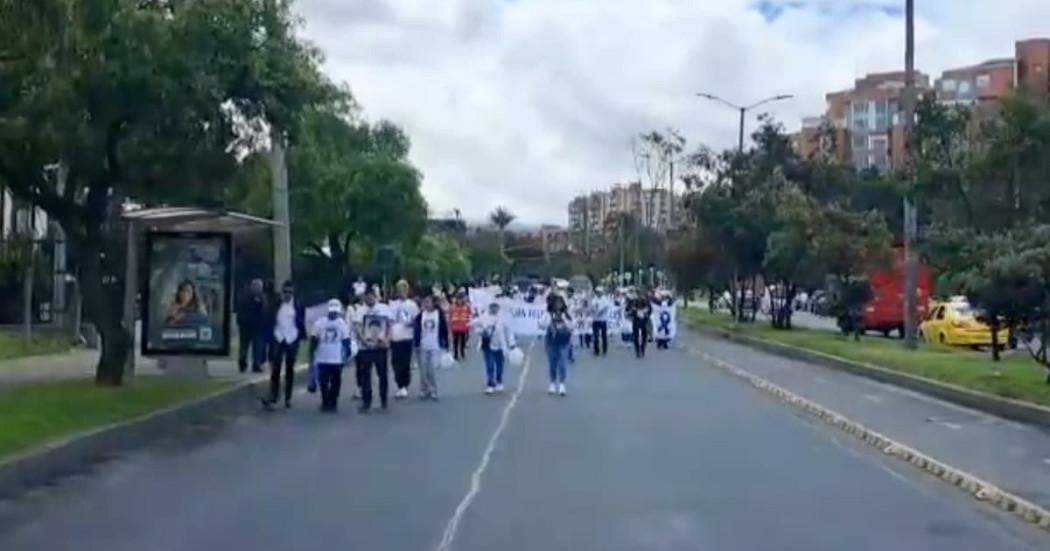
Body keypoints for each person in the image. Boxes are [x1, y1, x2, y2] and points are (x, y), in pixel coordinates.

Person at [263, 281, 306, 409]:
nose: (287, 294)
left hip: (291, 338)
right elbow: (269, 318)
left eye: (290, 292)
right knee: (275, 368)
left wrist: (300, 336)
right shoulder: (276, 304)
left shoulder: (298, 305)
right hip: (278, 337)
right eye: (285, 292)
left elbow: (301, 321)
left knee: (289, 369)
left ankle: (288, 397)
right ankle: (273, 395)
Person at [310, 299, 354, 413]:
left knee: (335, 382)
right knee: (323, 382)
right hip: (323, 357)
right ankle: (326, 401)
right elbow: (314, 339)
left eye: (335, 312)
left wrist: (347, 353)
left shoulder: (341, 324)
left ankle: (333, 401)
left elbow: (346, 340)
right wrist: (312, 353)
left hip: (336, 358)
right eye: (332, 312)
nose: (333, 314)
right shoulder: (320, 323)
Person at [354, 290, 392, 413]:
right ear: (364, 298)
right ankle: (366, 402)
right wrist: (364, 342)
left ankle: (384, 401)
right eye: (367, 298)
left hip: (380, 347)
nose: (369, 300)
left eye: (371, 298)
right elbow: (357, 328)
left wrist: (387, 340)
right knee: (365, 376)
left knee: (383, 375)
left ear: (375, 297)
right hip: (365, 348)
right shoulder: (360, 310)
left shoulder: (384, 309)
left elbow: (389, 326)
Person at [473, 301, 516, 394]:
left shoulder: (503, 318)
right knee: (490, 364)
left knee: (499, 365)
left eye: (495, 306)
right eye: (492, 306)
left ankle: (499, 380)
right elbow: (476, 326)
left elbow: (509, 331)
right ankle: (490, 384)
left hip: (500, 345)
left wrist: (511, 343)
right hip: (487, 344)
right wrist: (481, 332)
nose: (494, 308)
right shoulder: (483, 317)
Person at [388, 280, 420, 399]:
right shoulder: (392, 304)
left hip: (407, 336)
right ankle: (399, 384)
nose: (401, 292)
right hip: (394, 337)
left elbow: (417, 321)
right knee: (395, 362)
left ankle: (404, 385)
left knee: (405, 362)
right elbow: (388, 320)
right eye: (399, 290)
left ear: (407, 291)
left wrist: (411, 324)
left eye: (403, 290)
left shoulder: (412, 305)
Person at [413, 295, 449, 400]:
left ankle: (433, 389)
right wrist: (416, 342)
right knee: (423, 370)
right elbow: (415, 325)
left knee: (432, 369)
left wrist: (446, 344)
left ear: (434, 303)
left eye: (428, 302)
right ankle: (424, 389)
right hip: (423, 345)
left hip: (435, 345)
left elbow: (444, 329)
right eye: (425, 302)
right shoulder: (421, 315)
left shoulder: (439, 314)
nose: (426, 305)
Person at [236, 278, 268, 373]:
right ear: (251, 286)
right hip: (246, 325)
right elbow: (240, 310)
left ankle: (256, 364)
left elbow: (266, 310)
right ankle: (242, 363)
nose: (257, 288)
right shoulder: (245, 297)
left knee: (257, 346)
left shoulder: (263, 298)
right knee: (244, 346)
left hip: (258, 326)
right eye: (255, 286)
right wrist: (241, 322)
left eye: (259, 287)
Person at [545, 293, 573, 396]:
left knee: (562, 363)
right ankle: (552, 383)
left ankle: (562, 384)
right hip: (551, 341)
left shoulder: (566, 314)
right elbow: (541, 324)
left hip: (563, 341)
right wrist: (550, 323)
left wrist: (564, 323)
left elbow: (572, 326)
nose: (558, 305)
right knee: (552, 363)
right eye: (556, 303)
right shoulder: (548, 314)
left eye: (560, 303)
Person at [628, 290, 652, 358]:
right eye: (637, 294)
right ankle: (637, 350)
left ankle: (642, 349)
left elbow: (650, 309)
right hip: (636, 319)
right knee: (636, 336)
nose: (639, 296)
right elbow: (628, 308)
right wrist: (633, 311)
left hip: (644, 319)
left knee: (644, 335)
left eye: (640, 294)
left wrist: (646, 313)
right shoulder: (632, 300)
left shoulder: (646, 300)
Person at [449, 291, 472, 361]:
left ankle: (462, 351)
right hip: (455, 327)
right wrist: (450, 326)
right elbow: (450, 316)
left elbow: (469, 315)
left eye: (461, 299)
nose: (459, 301)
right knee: (455, 341)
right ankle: (455, 354)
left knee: (463, 341)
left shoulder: (466, 306)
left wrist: (469, 325)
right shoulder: (452, 307)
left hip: (463, 327)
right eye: (458, 299)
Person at [591, 287, 612, 356]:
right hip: (595, 320)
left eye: (599, 292)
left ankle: (604, 350)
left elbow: (605, 307)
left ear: (602, 292)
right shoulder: (594, 299)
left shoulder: (605, 299)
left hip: (603, 320)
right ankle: (596, 350)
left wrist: (600, 312)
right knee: (596, 336)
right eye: (597, 292)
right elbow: (592, 307)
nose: (598, 293)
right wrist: (594, 311)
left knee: (604, 336)